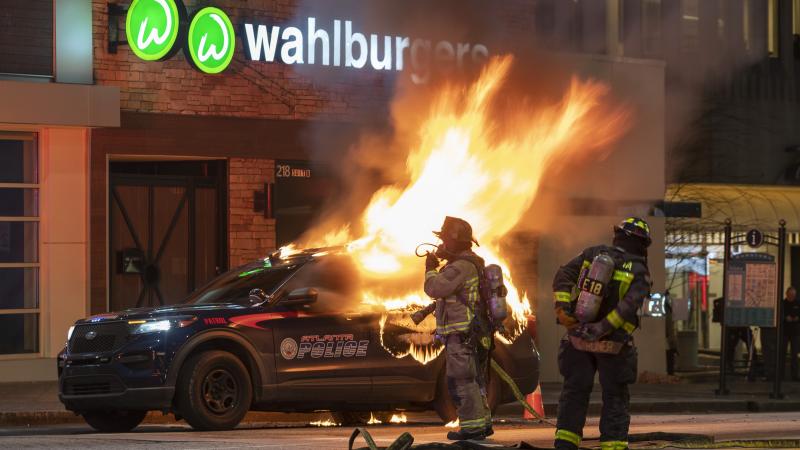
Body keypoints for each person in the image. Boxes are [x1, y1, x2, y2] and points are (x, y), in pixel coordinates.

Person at [552, 217, 652, 450]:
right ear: (642, 244)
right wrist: (602, 329)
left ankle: (565, 443)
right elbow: (627, 307)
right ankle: (613, 445)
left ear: (618, 235)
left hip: (578, 338)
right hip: (613, 345)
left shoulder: (592, 253)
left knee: (574, 393)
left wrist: (564, 311)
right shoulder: (638, 269)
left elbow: (563, 275)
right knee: (615, 396)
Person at [411, 216, 492, 441]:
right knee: (474, 381)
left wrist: (429, 269)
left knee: (462, 381)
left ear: (455, 242)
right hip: (470, 335)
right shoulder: (468, 264)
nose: (441, 245)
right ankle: (482, 425)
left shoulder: (462, 267)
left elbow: (435, 287)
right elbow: (450, 297)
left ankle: (473, 428)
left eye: (445, 240)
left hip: (463, 336)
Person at [782, 286, 800, 381]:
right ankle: (781, 375)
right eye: (790, 295)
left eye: (794, 295)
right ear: (787, 294)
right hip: (784, 332)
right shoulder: (783, 304)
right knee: (782, 353)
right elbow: (779, 315)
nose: (792, 296)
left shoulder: (798, 303)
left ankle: (795, 375)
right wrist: (785, 318)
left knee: (795, 354)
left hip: (795, 332)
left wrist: (797, 318)